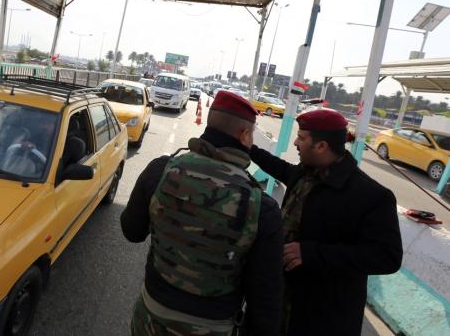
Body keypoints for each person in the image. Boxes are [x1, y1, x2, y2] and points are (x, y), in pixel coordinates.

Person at [121, 91, 284, 336]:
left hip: (151, 319)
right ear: (245, 134)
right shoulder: (262, 207)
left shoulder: (161, 170)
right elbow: (264, 300)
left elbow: (132, 231)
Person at [249, 108, 403, 336]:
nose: (295, 143)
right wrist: (247, 147)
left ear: (321, 146)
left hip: (324, 316)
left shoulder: (372, 196)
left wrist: (312, 253)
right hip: (283, 300)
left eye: (301, 138)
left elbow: (387, 258)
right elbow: (280, 167)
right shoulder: (306, 173)